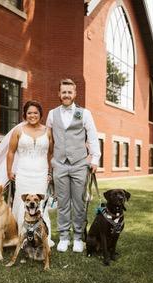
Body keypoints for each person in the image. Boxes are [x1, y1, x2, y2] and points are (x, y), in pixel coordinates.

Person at [46, 79, 101, 253]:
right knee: (62, 203)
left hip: (79, 164)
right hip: (60, 164)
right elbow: (48, 140)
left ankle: (77, 237)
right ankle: (63, 236)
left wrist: (95, 159)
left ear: (75, 94)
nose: (67, 95)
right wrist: (50, 162)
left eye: (70, 92)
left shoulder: (84, 113)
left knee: (79, 203)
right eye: (64, 92)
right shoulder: (51, 114)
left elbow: (92, 137)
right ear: (59, 94)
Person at [7, 100, 54, 247]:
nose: (32, 115)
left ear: (40, 114)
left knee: (39, 204)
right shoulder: (18, 131)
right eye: (29, 113)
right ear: (24, 115)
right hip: (23, 173)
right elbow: (10, 152)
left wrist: (50, 172)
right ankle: (22, 238)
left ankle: (42, 237)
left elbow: (51, 153)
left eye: (35, 112)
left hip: (41, 173)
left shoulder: (48, 131)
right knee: (23, 203)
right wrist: (9, 171)